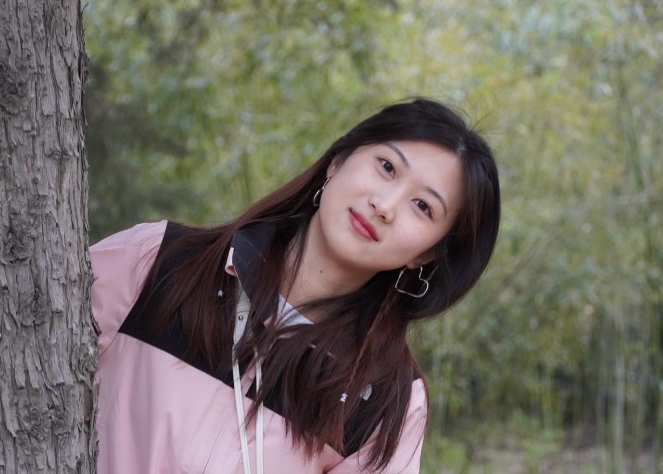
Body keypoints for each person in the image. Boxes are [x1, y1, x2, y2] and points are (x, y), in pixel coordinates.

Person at [90, 97, 501, 473]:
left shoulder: (386, 399)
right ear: (338, 160)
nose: (385, 205)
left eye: (423, 206)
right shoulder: (159, 261)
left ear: (425, 255)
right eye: (387, 167)